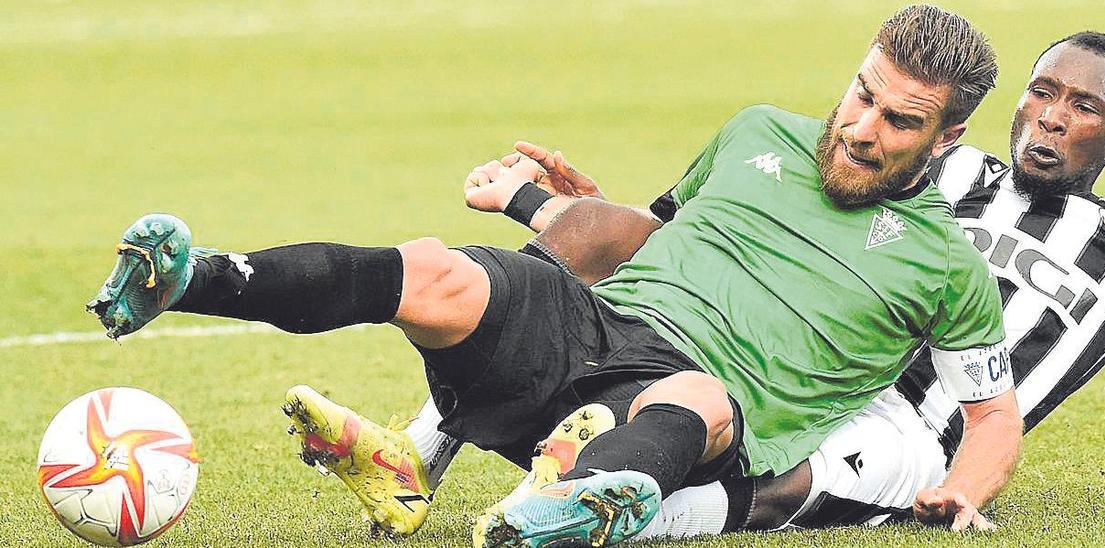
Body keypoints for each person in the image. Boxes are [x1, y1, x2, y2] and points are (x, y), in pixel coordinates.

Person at [87, 5, 1019, 546]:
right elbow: (657, 235)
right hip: (591, 324)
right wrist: (581, 207)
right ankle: (191, 278)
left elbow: (992, 415)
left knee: (698, 399)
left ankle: (559, 509)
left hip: (687, 395)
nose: (861, 128)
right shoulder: (757, 132)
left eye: (900, 122)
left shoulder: (946, 265)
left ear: (947, 137)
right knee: (436, 270)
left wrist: (964, 490)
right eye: (862, 93)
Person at [468, 31, 1105, 539]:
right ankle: (436, 451)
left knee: (792, 481)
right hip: (803, 370)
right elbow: (735, 226)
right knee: (556, 305)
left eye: (1083, 106)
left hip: (926, 432)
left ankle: (578, 508)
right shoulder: (938, 168)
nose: (1051, 117)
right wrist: (587, 213)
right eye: (1042, 92)